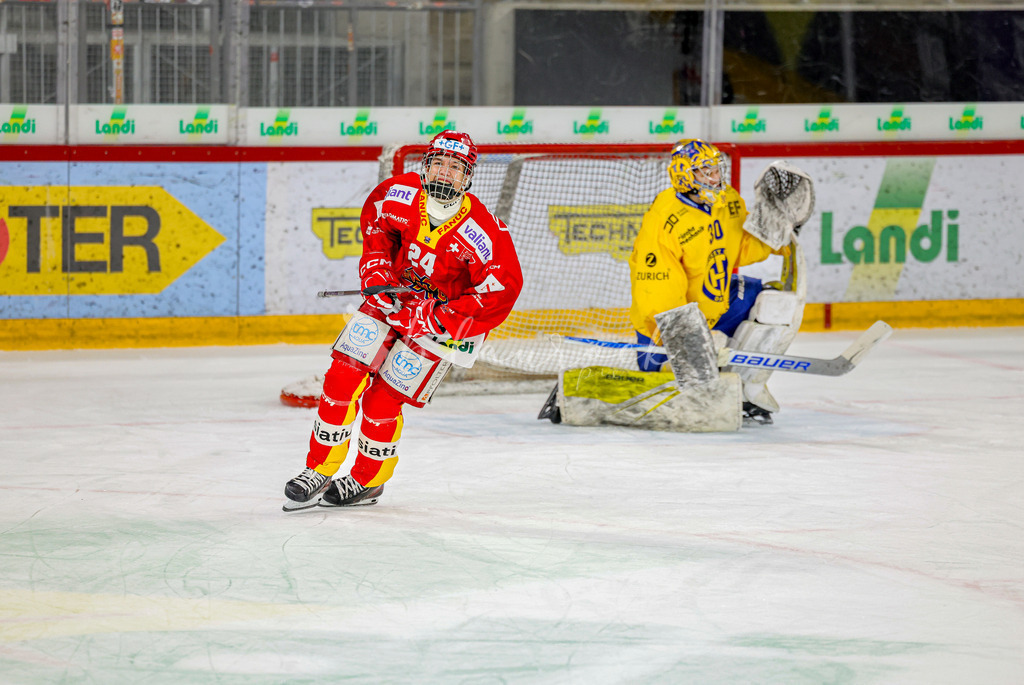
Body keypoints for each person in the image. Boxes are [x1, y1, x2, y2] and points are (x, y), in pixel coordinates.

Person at [284, 130, 523, 511]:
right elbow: (378, 229)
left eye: (456, 168)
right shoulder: (398, 193)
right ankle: (319, 468)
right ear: (426, 166)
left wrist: (440, 317)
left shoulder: (484, 232)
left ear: (469, 177)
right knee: (341, 377)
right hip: (392, 301)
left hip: (438, 327)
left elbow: (499, 292)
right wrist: (377, 272)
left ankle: (366, 480)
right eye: (439, 163)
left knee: (381, 402)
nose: (446, 174)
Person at [626, 138, 804, 425]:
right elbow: (657, 288)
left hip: (716, 306)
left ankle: (747, 388)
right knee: (659, 375)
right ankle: (683, 386)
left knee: (770, 303)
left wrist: (778, 234)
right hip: (665, 325)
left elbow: (743, 247)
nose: (714, 177)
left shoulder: (727, 201)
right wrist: (685, 336)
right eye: (705, 171)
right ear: (685, 174)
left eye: (716, 169)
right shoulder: (664, 218)